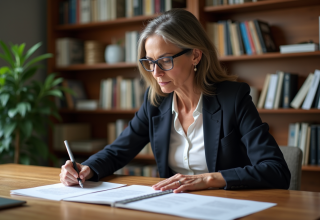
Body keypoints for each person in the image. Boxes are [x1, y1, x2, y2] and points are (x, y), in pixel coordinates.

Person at [60, 9, 290, 192]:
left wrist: (209, 179)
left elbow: (276, 170)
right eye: (149, 62)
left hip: (225, 205)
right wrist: (85, 168)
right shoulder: (156, 102)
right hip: (173, 206)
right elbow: (117, 152)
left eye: (165, 60)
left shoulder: (234, 98)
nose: (156, 72)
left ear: (195, 56)